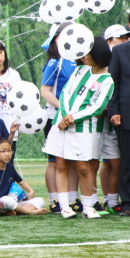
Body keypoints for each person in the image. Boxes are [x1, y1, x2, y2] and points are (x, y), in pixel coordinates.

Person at [43, 37, 114, 219]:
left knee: (84, 168)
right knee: (61, 164)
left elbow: (97, 107)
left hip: (82, 129)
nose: (83, 57)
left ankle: (88, 206)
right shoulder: (80, 70)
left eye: (87, 53)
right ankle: (65, 206)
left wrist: (73, 118)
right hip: (61, 124)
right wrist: (65, 114)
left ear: (96, 54)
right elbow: (65, 92)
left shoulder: (107, 80)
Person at [40, 23, 78, 212]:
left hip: (76, 118)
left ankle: (73, 198)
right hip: (55, 117)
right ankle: (55, 199)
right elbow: (45, 91)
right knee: (55, 160)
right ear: (57, 39)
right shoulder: (55, 62)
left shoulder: (82, 62)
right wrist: (62, 109)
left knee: (73, 159)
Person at [105, 21, 130, 216]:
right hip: (126, 114)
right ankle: (128, 203)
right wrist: (114, 110)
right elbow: (111, 83)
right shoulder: (120, 51)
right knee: (127, 161)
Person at [0, 134, 47, 215]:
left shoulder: (10, 167)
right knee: (6, 200)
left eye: (9, 150)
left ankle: (14, 211)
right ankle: (30, 212)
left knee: (40, 200)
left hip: (11, 202)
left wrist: (31, 191)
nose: (7, 154)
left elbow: (21, 182)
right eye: (3, 151)